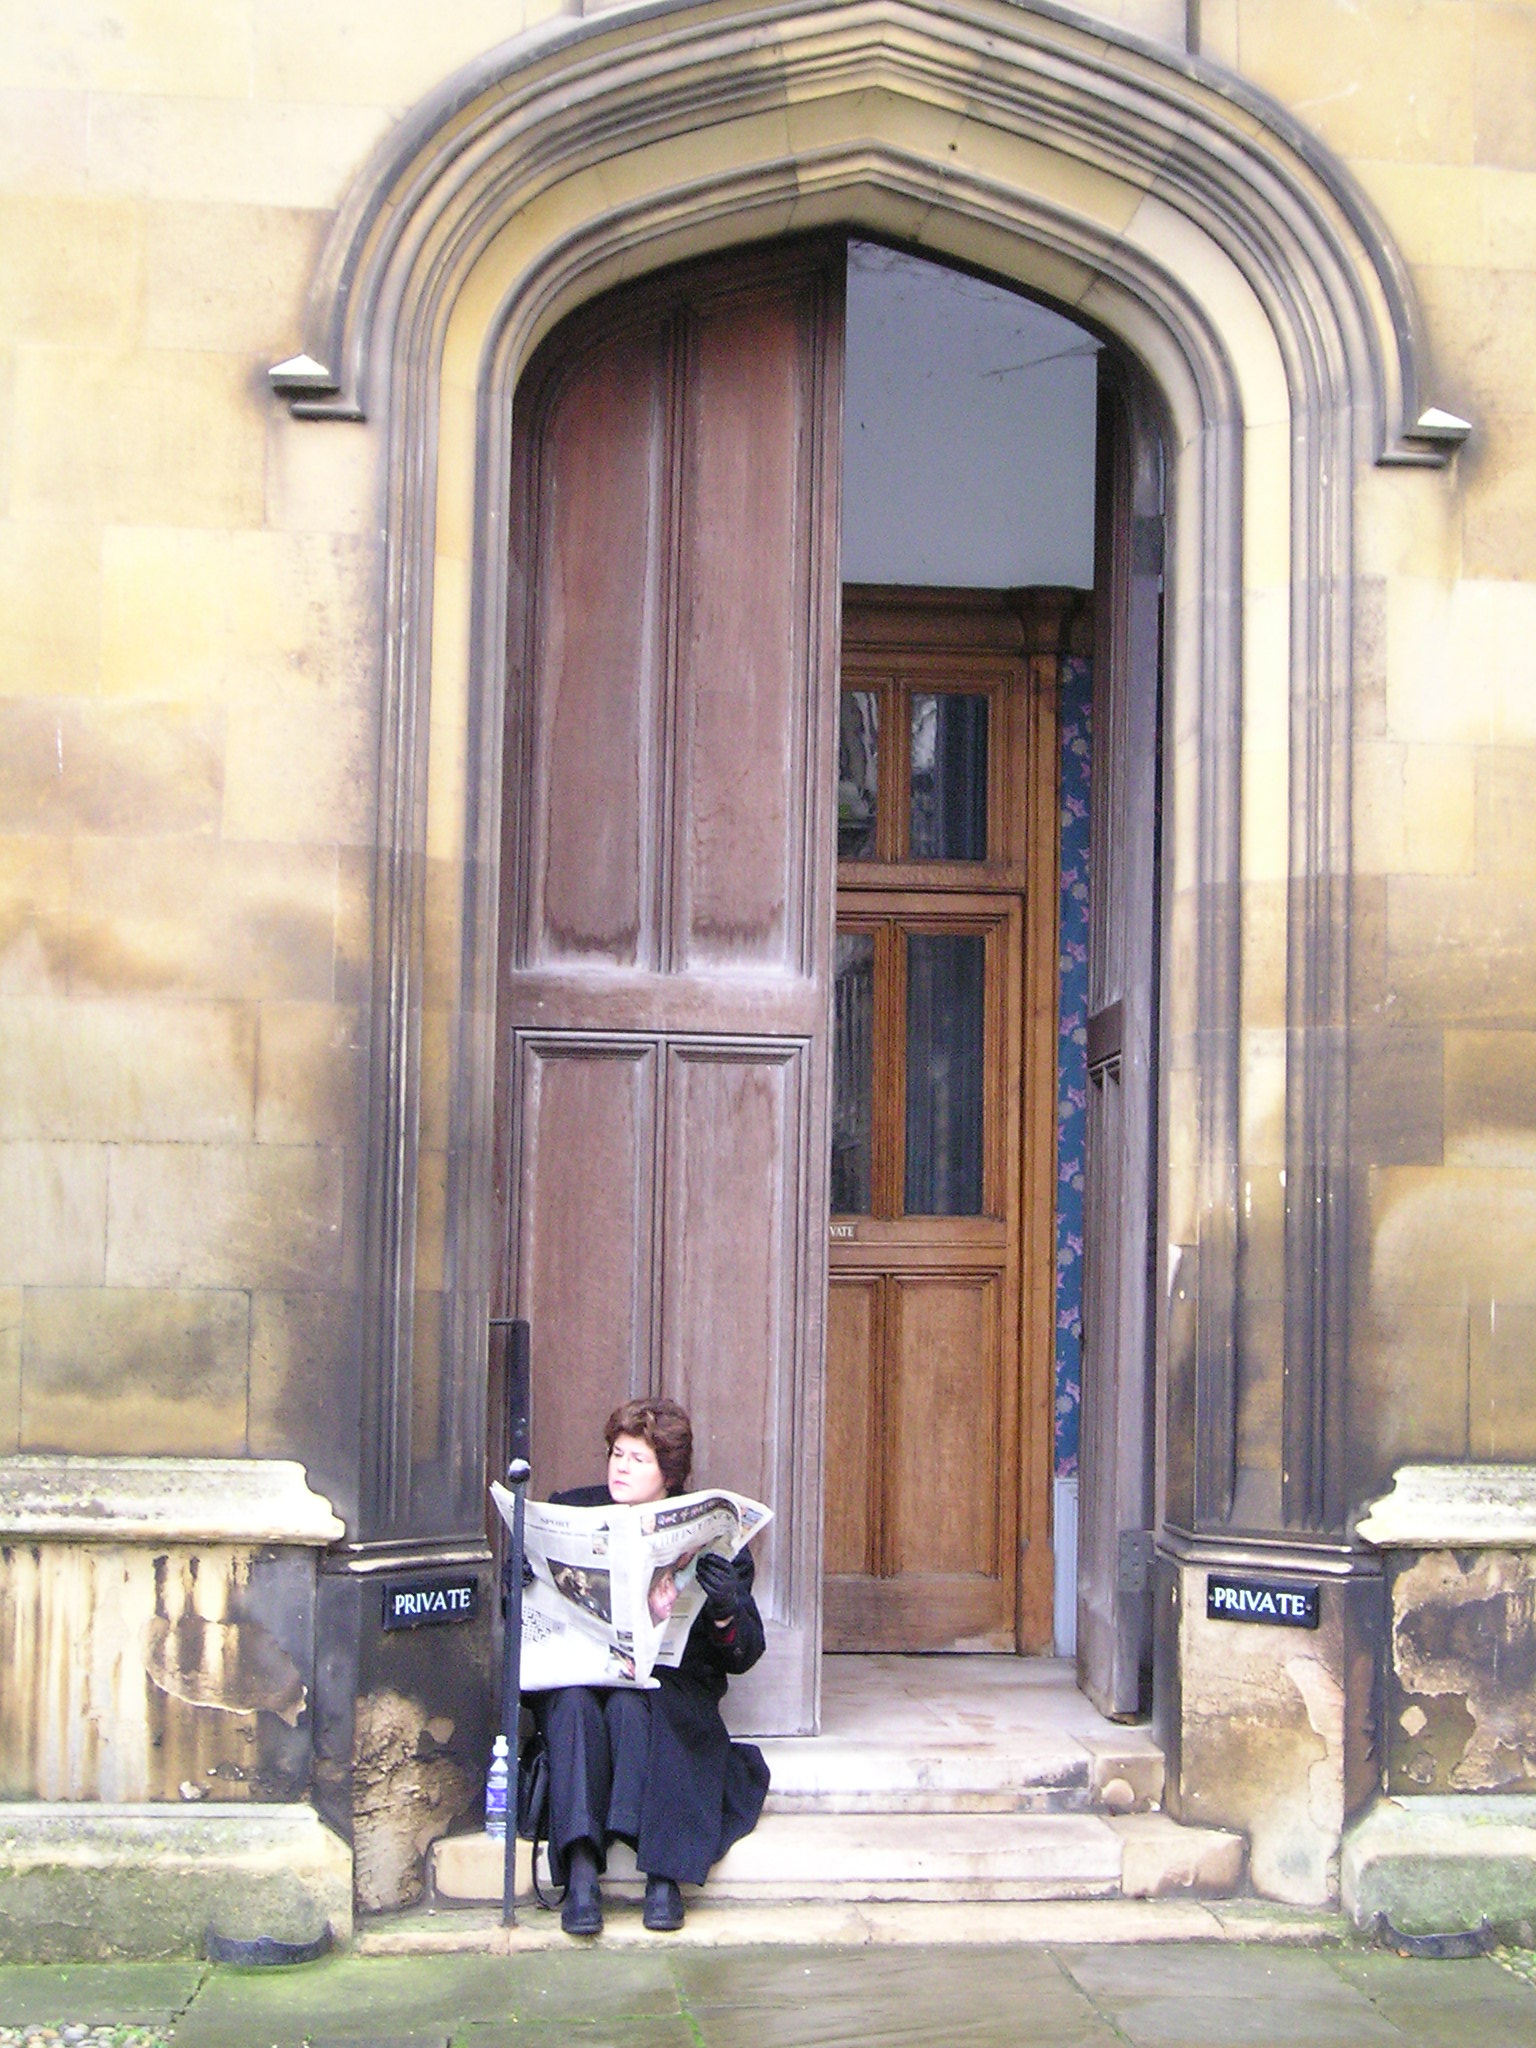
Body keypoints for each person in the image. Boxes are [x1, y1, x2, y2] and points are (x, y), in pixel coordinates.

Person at [535, 1397, 769, 1936]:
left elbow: (744, 1653)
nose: (621, 1467)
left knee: (652, 1703)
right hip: (580, 1668)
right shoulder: (572, 1509)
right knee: (571, 1703)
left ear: (669, 1473)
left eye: (638, 1460)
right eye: (617, 1454)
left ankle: (663, 1876)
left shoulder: (711, 1535)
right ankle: (581, 1872)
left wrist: (726, 1605)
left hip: (670, 1680)